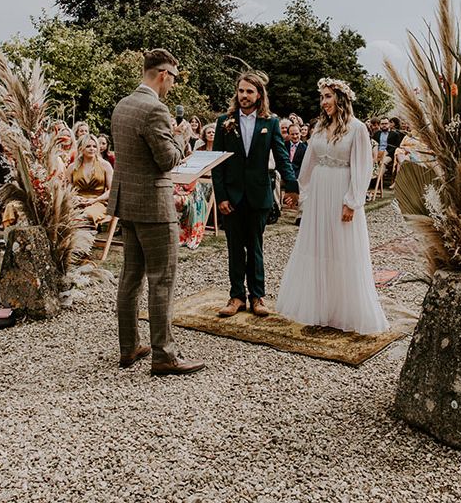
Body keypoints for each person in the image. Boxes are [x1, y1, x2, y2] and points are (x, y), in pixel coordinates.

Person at [108, 48, 205, 376]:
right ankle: (164, 354)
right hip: (153, 204)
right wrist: (181, 138)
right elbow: (166, 160)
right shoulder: (155, 109)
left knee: (130, 276)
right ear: (163, 74)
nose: (173, 86)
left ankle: (128, 346)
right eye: (174, 78)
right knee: (162, 278)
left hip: (128, 203)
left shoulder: (122, 105)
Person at [275, 79, 389, 334]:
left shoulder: (357, 128)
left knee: (342, 248)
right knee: (318, 246)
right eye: (322, 97)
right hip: (319, 191)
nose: (324, 102)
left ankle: (344, 311)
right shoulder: (317, 128)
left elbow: (362, 167)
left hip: (341, 190)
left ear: (340, 98)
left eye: (328, 96)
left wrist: (352, 201)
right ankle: (320, 308)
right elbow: (309, 163)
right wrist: (299, 192)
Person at [211, 71, 298, 317]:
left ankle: (257, 296)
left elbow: (281, 156)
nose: (244, 96)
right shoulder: (223, 122)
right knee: (235, 248)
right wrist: (221, 197)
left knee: (256, 247)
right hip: (232, 195)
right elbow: (217, 163)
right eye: (241, 91)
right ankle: (236, 296)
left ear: (259, 94)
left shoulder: (270, 122)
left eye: (250, 91)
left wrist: (292, 186)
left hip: (259, 195)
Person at [66, 134, 113, 226]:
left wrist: (95, 200)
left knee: (86, 215)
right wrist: (74, 198)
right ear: (81, 148)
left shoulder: (105, 165)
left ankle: (85, 237)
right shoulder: (72, 167)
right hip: (76, 202)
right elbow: (66, 189)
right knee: (65, 215)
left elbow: (112, 190)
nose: (92, 149)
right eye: (88, 146)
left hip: (98, 202)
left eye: (94, 146)